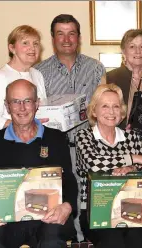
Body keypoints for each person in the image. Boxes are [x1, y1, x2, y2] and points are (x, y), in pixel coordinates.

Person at [0, 79, 77, 248]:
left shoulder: (56, 138)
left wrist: (67, 206)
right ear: (7, 106)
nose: (22, 108)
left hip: (47, 219)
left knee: (52, 240)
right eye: (15, 102)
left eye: (27, 101)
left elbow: (69, 181)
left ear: (37, 104)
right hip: (5, 220)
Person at [34, 14, 107, 242]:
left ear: (79, 37)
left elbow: (103, 108)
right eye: (60, 33)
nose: (66, 39)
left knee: (89, 202)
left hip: (87, 147)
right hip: (54, 149)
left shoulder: (95, 68)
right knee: (56, 203)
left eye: (71, 33)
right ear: (53, 38)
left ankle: (84, 240)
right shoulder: (38, 72)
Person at [75, 84, 142, 248]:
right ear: (94, 111)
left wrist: (136, 168)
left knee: (136, 240)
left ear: (122, 112)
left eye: (116, 106)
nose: (111, 111)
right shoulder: (84, 136)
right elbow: (93, 163)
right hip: (95, 211)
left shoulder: (132, 136)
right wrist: (134, 158)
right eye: (105, 106)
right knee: (113, 241)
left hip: (133, 206)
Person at [0, 25, 47, 133]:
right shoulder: (0, 78)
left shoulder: (37, 75)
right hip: (10, 142)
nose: (32, 48)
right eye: (25, 43)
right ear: (12, 48)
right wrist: (26, 126)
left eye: (35, 43)